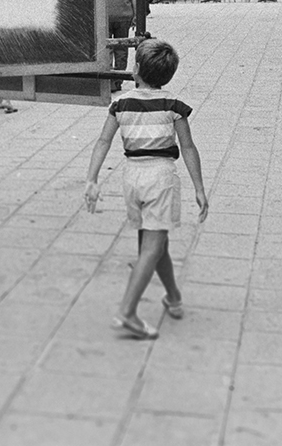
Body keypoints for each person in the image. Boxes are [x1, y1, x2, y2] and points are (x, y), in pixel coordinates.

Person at [84, 39, 208, 340]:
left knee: (153, 243)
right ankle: (127, 312)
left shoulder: (120, 104)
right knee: (152, 246)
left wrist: (92, 178)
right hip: (161, 178)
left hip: (132, 178)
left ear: (136, 69)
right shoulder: (173, 105)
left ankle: (173, 296)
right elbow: (188, 147)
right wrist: (199, 187)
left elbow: (103, 141)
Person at [106, 0, 137, 91]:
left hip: (104, 16)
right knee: (121, 48)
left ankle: (107, 79)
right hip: (123, 15)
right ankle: (117, 81)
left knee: (106, 47)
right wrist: (135, 14)